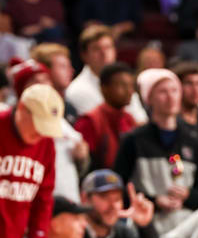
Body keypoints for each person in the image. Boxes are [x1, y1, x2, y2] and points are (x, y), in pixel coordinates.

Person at [114, 68, 198, 234]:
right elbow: (120, 187)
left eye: (174, 90)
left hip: (185, 228)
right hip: (145, 228)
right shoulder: (134, 140)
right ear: (149, 99)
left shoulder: (195, 141)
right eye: (163, 92)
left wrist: (188, 196)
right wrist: (154, 201)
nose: (170, 97)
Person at [0, 84, 63, 238]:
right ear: (22, 109)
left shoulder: (45, 144)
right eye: (38, 124)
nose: (40, 133)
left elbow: (43, 201)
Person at [9, 59, 89, 204]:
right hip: (28, 199)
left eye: (45, 79)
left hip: (67, 198)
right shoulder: (11, 122)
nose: (42, 85)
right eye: (34, 81)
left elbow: (81, 161)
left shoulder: (58, 119)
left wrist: (82, 156)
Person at [65, 24, 147, 124]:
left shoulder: (125, 81)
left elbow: (141, 120)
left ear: (115, 51)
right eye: (96, 49)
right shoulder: (77, 90)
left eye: (108, 47)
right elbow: (103, 125)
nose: (104, 53)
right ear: (84, 55)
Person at [74, 62, 137, 171]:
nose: (129, 91)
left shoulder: (129, 119)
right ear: (104, 88)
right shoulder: (89, 122)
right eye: (122, 85)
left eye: (131, 85)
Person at [29, 43, 77, 124]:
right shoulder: (35, 108)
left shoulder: (69, 107)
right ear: (45, 70)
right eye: (63, 66)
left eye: (69, 66)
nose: (71, 70)